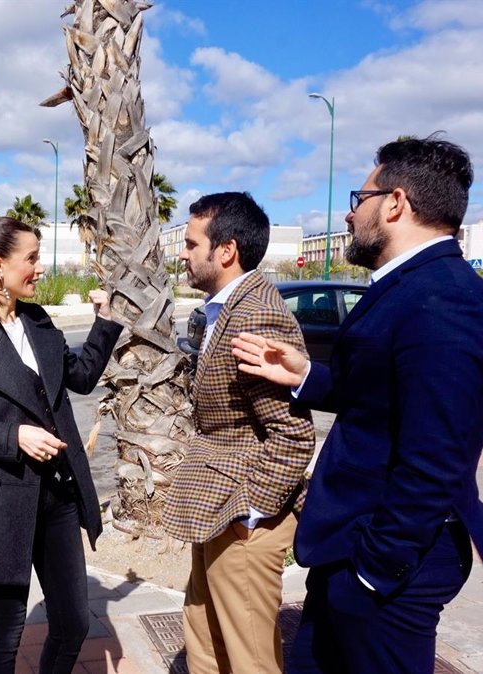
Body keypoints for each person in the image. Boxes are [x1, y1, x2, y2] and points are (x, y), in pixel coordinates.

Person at [231, 136, 483, 674]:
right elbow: (382, 396)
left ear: (395, 203)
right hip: (353, 549)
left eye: (359, 198)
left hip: (386, 566)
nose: (349, 213)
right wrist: (304, 376)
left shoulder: (443, 299)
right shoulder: (412, 286)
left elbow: (433, 458)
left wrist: (372, 573)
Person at [0, 216, 122, 673]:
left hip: (56, 496)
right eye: (31, 258)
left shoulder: (36, 320)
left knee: (73, 623)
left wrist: (104, 321)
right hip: (1, 506)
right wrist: (12, 436)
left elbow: (81, 377)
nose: (41, 267)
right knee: (6, 635)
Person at [159, 192, 315, 674]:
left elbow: (292, 434)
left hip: (242, 519)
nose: (183, 254)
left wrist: (251, 512)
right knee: (206, 640)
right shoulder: (225, 308)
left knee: (249, 659)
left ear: (226, 250)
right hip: (216, 508)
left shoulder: (256, 315)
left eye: (191, 244)